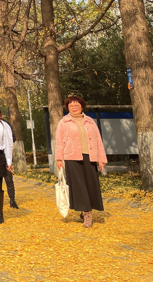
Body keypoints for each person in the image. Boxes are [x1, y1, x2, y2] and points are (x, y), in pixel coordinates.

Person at [56, 95, 107, 228]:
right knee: (79, 186)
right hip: (72, 157)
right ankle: (87, 214)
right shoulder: (64, 122)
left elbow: (98, 140)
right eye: (71, 105)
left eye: (76, 104)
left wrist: (101, 159)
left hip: (90, 157)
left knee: (90, 185)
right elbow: (59, 141)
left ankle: (85, 210)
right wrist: (59, 158)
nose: (74, 107)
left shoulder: (90, 121)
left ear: (82, 106)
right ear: (67, 107)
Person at [0, 106, 19, 209]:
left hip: (5, 156)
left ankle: (12, 200)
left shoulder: (6, 125)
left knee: (9, 179)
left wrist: (5, 146)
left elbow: (12, 138)